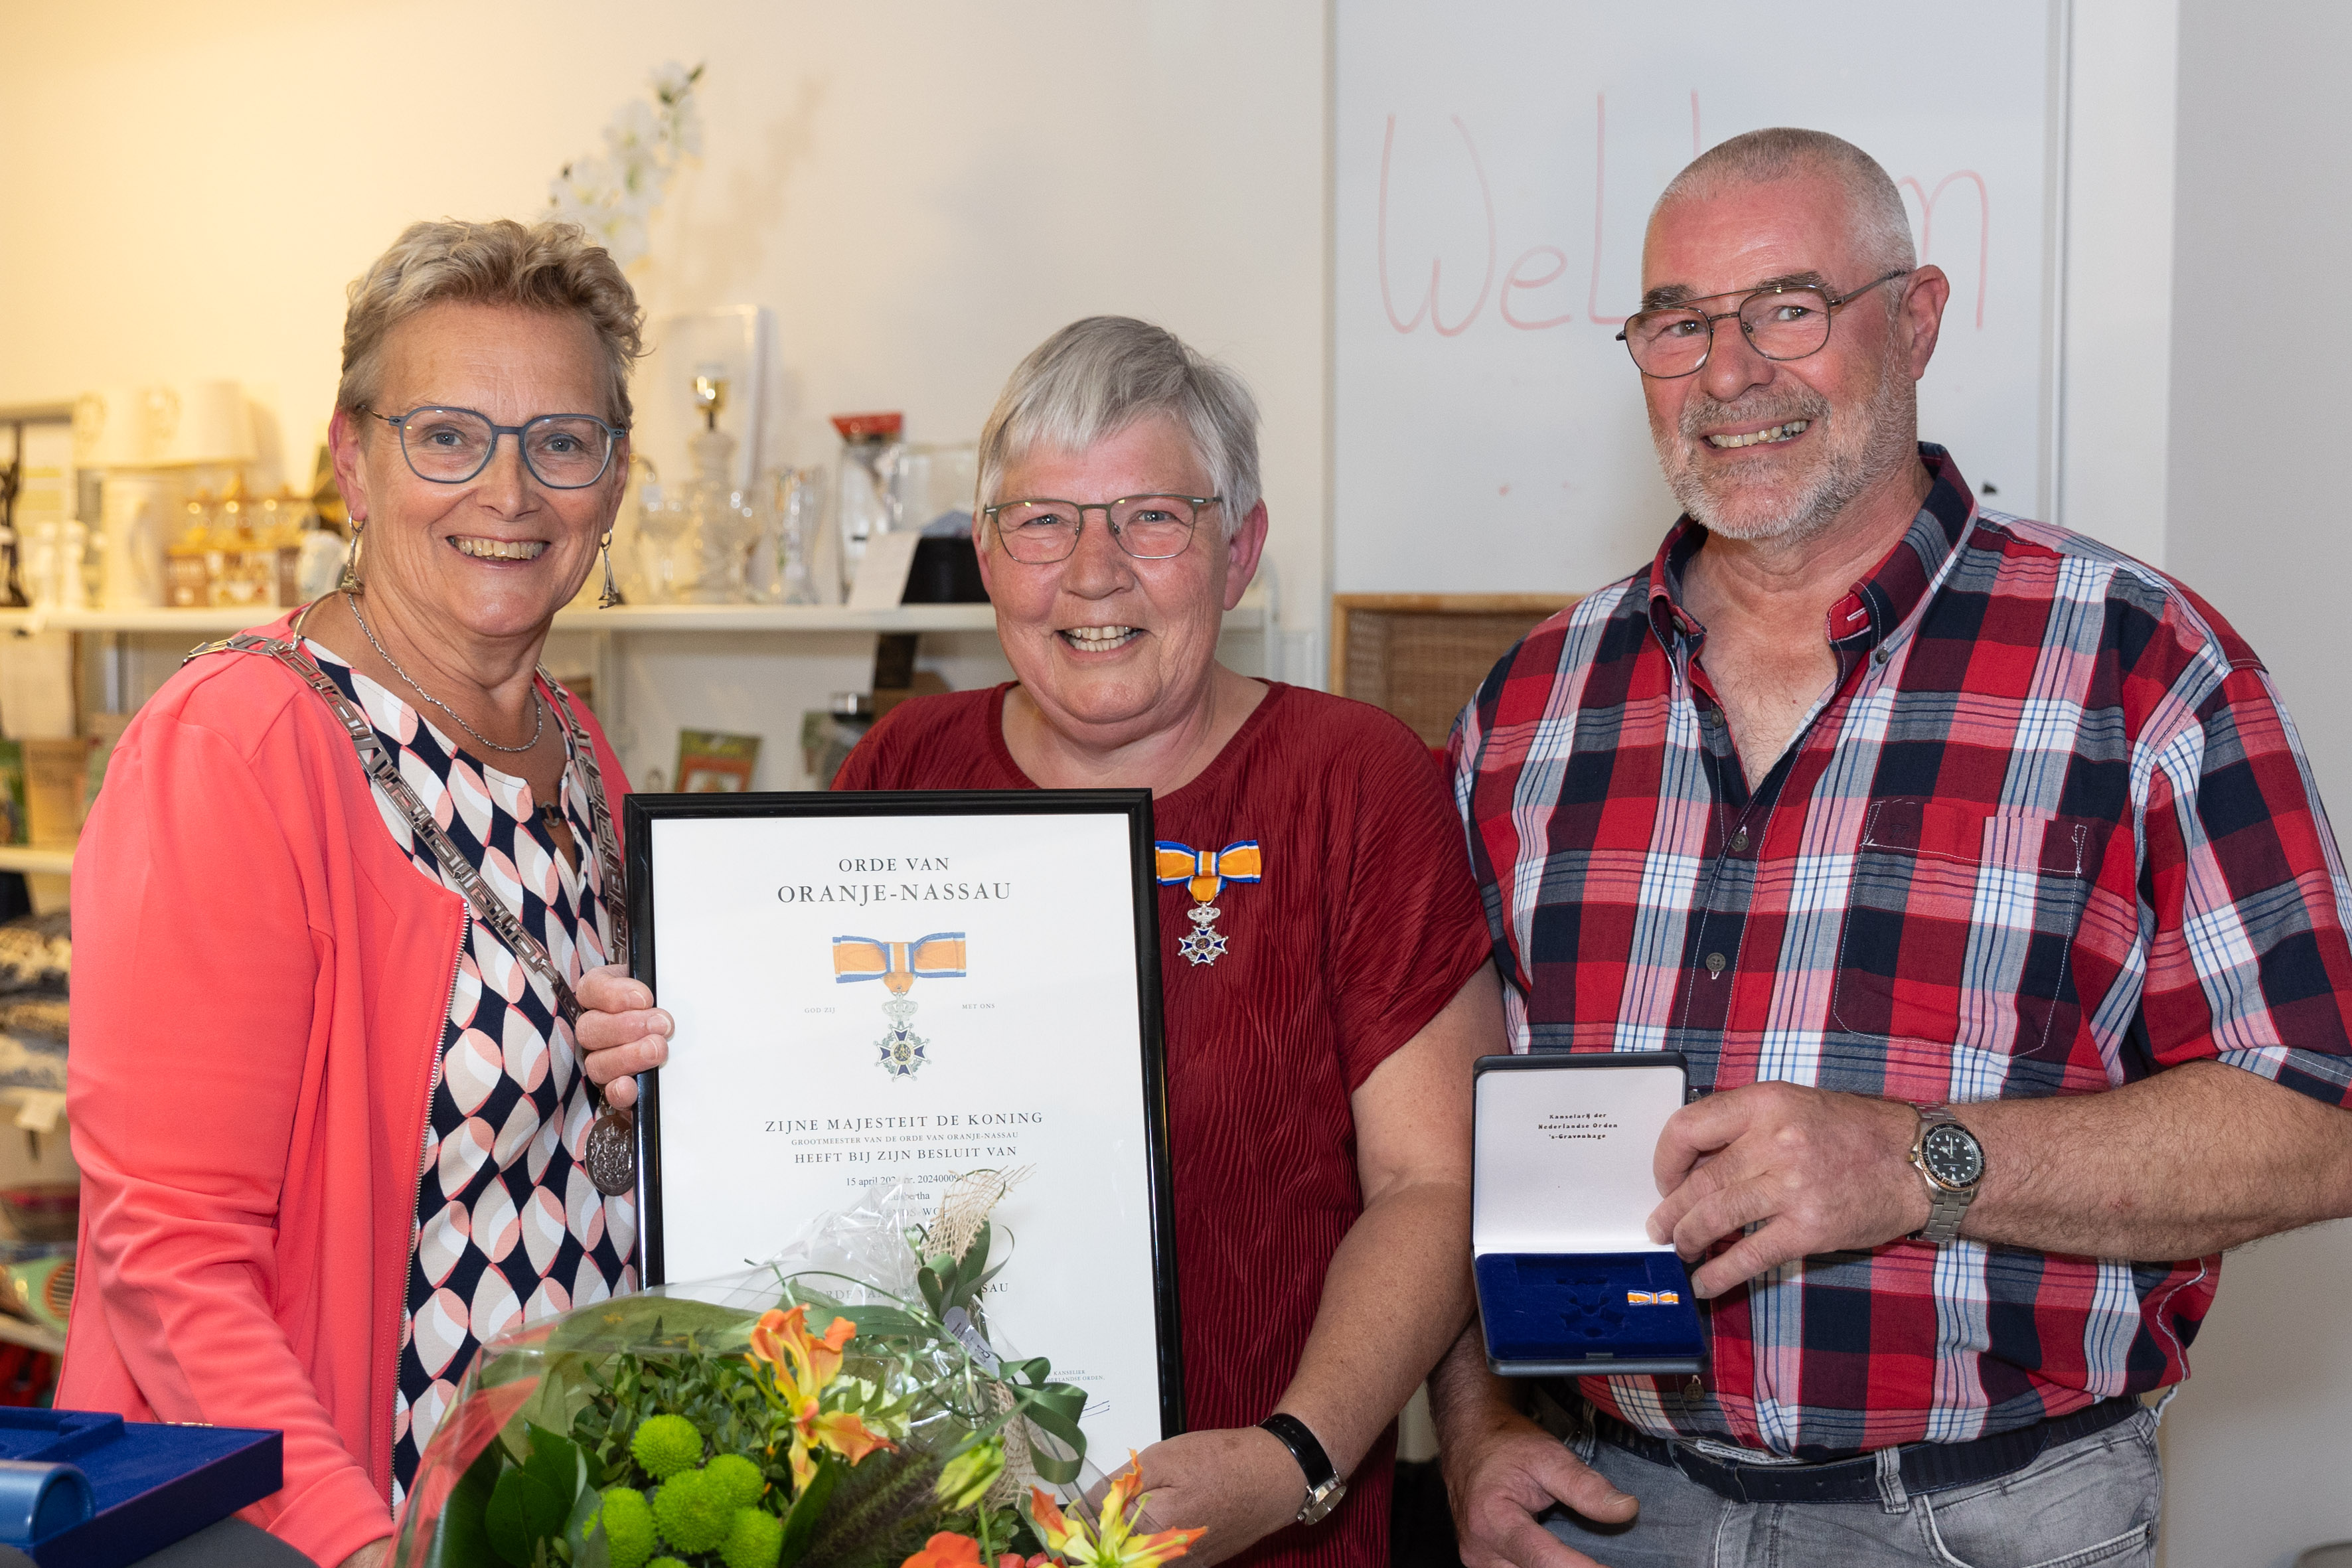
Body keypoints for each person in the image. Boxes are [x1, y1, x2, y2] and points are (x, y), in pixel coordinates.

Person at [1433, 127, 2352, 1568]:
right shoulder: (1528, 708)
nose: (1727, 372)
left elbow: (2317, 1113)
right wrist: (1479, 1426)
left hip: (1984, 1518)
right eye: (1677, 322)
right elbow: (1442, 1146)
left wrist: (1919, 1159)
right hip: (1605, 1512)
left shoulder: (2139, 664)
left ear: (1913, 317)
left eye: (1786, 306)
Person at [578, 316, 1501, 1567]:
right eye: (1044, 520)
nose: (1094, 572)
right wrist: (685, 1067)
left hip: (1262, 1525)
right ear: (988, 555)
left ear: (1243, 553)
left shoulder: (1353, 784)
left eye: (1153, 518)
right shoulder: (901, 769)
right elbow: (821, 1124)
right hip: (915, 1519)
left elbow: (1431, 1185)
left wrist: (1295, 1454)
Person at [63, 218, 643, 1568]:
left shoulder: (576, 745)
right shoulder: (238, 745)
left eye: (560, 440)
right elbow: (168, 1247)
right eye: (448, 434)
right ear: (352, 461)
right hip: (316, 1516)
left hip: (545, 1515)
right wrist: (354, 1541)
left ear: (611, 483)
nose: (508, 490)